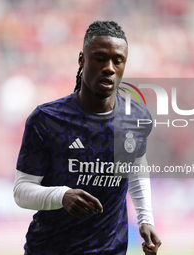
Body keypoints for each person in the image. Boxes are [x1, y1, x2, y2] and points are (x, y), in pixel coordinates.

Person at [14, 20, 161, 255]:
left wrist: (146, 218)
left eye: (118, 60)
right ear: (82, 60)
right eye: (100, 58)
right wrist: (61, 195)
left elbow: (135, 168)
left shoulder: (137, 118)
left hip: (111, 250)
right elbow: (22, 191)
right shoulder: (46, 119)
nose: (110, 68)